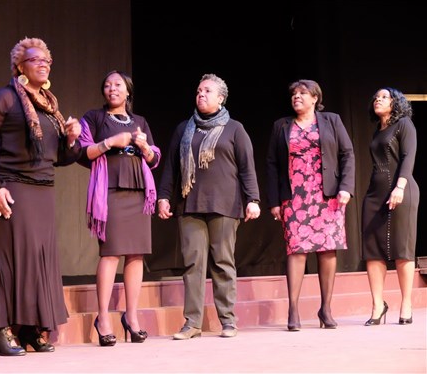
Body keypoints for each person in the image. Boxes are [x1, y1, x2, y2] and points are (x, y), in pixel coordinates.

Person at [0, 37, 81, 356]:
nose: (44, 63)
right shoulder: (4, 99)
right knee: (10, 260)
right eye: (35, 59)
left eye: (47, 59)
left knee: (39, 263)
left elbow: (58, 158)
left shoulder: (48, 105)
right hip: (14, 187)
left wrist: (71, 141)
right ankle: (0, 330)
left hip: (43, 191)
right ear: (20, 66)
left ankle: (33, 328)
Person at [158, 73, 261, 340]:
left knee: (223, 262)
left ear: (220, 98)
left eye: (207, 91)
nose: (201, 95)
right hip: (189, 203)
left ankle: (228, 320)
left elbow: (247, 167)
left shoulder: (234, 128)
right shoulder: (184, 129)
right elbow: (170, 167)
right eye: (198, 91)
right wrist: (164, 196)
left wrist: (253, 199)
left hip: (225, 204)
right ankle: (192, 323)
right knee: (193, 264)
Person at [77, 70, 161, 346]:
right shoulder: (94, 118)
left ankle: (132, 317)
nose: (112, 89)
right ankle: (103, 317)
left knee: (136, 254)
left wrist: (144, 147)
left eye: (118, 85)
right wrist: (110, 142)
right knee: (111, 253)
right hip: (110, 190)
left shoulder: (140, 121)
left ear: (128, 92)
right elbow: (82, 152)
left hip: (138, 190)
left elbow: (153, 157)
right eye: (107, 85)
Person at [266, 79, 355, 331]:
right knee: (296, 250)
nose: (297, 97)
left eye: (303, 93)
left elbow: (347, 154)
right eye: (293, 93)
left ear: (315, 98)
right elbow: (272, 164)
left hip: (327, 195)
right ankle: (293, 309)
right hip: (294, 196)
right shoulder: (281, 126)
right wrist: (274, 201)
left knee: (327, 249)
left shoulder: (331, 121)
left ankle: (325, 308)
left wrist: (346, 188)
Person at [361, 87, 419, 326]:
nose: (378, 100)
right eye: (376, 97)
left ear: (396, 102)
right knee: (373, 251)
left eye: (384, 97)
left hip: (401, 190)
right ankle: (377, 305)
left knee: (402, 248)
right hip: (375, 194)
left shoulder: (404, 124)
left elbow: (408, 156)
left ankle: (406, 303)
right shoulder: (379, 130)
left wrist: (400, 187)